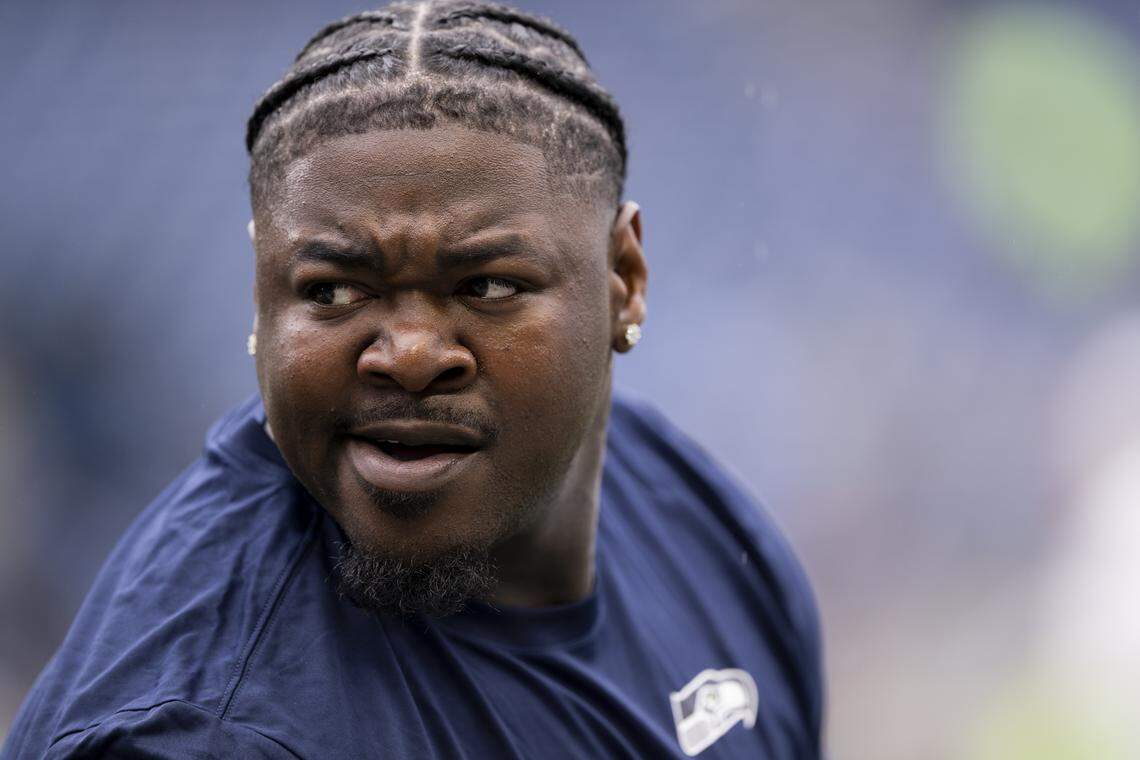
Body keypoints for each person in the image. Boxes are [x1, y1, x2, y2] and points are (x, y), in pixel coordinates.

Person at [2, 2, 825, 757]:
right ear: (261, 294)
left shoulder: (710, 536)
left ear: (625, 281)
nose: (408, 355)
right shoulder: (206, 735)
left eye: (487, 285)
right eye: (333, 290)